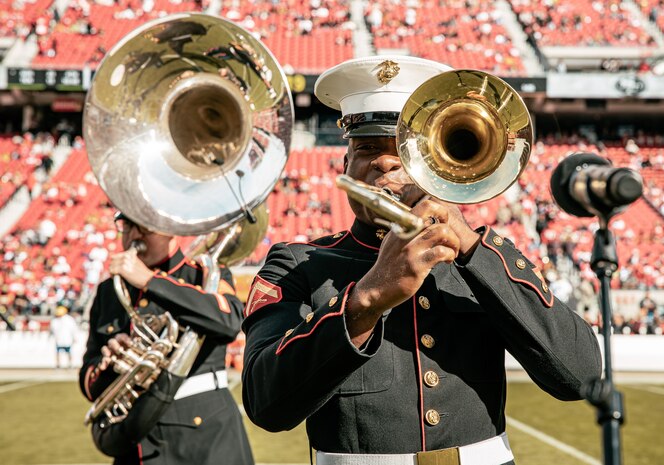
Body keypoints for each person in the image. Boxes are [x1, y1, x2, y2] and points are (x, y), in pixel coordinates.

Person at [241, 56, 602, 465]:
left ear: (441, 167)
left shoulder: (479, 260)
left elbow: (581, 376)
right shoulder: (296, 264)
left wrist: (470, 245)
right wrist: (366, 299)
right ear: (345, 166)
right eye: (366, 149)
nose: (384, 162)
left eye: (402, 149)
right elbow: (265, 404)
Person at [78, 212, 253, 465]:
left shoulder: (203, 274)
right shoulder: (109, 290)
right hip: (132, 441)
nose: (133, 236)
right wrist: (107, 366)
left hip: (204, 438)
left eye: (144, 226)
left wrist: (150, 281)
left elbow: (229, 321)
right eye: (127, 226)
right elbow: (88, 372)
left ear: (169, 227)